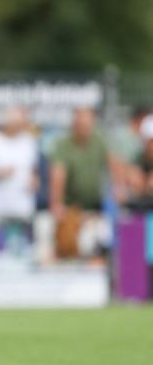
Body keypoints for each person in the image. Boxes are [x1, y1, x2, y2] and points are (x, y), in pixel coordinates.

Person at [49, 107, 123, 259]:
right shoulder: (64, 145)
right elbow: (58, 175)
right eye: (80, 124)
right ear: (74, 124)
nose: (83, 128)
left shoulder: (100, 140)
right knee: (68, 246)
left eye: (87, 125)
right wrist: (56, 203)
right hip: (72, 207)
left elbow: (114, 165)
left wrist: (119, 189)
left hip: (97, 206)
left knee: (102, 245)